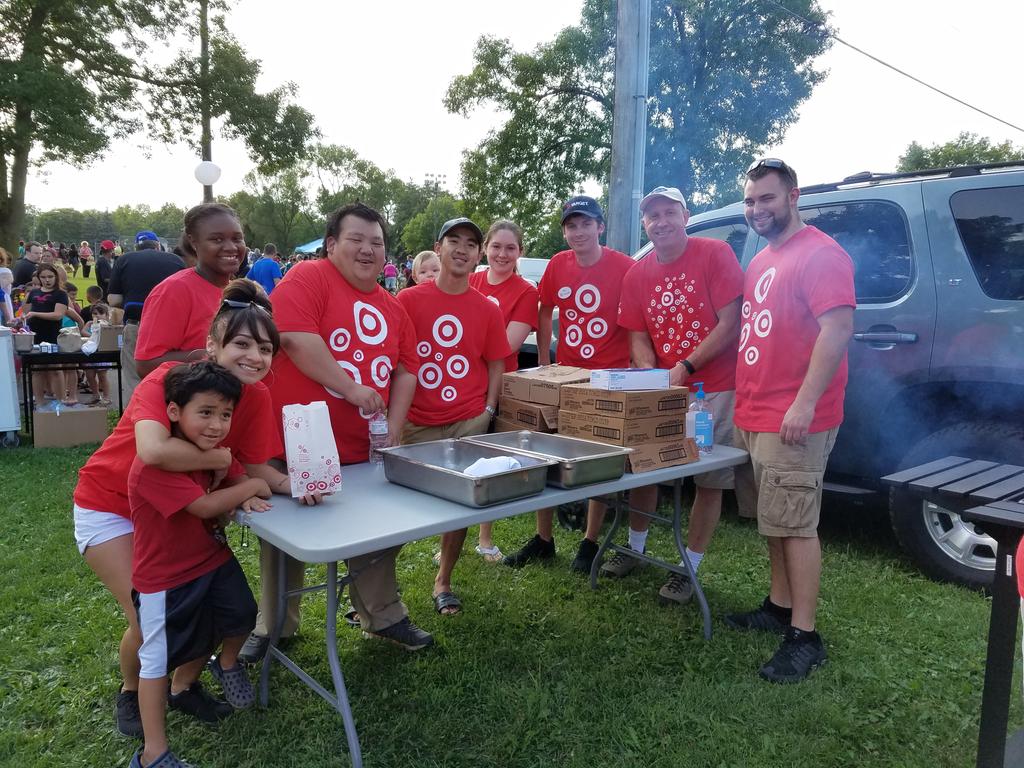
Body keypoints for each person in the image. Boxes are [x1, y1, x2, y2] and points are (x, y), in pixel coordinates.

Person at [73, 280, 297, 738]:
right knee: (149, 616)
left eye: (265, 348)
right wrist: (220, 461)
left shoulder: (256, 397)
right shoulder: (168, 379)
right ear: (212, 344)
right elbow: (154, 451)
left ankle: (183, 685)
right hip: (111, 507)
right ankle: (132, 691)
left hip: (185, 511)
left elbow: (257, 467)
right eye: (241, 344)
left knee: (207, 607)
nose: (255, 357)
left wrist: (300, 485)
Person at [257, 202, 432, 658]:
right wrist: (351, 388)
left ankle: (383, 615)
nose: (367, 249)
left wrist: (395, 426)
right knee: (282, 539)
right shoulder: (309, 277)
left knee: (377, 532)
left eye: (377, 242)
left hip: (360, 448)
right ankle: (274, 627)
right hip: (295, 442)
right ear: (331, 245)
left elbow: (407, 370)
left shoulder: (393, 307)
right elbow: (295, 338)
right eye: (356, 239)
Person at [724, 158, 855, 683]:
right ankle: (779, 607)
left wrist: (804, 403)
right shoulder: (762, 260)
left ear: (793, 196)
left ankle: (805, 636)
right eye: (750, 200)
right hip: (757, 412)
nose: (757, 209)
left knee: (797, 524)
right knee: (775, 519)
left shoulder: (822, 254)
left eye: (767, 198)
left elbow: (837, 329)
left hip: (793, 417)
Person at [127, 362, 269, 768]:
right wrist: (253, 486)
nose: (217, 425)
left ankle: (227, 664)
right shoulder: (154, 466)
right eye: (205, 412)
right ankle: (153, 754)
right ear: (174, 411)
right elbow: (204, 506)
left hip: (212, 558)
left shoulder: (211, 453)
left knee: (241, 615)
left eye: (225, 414)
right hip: (166, 580)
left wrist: (243, 490)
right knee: (156, 662)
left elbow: (232, 480)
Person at [612, 186, 744, 600]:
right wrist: (651, 376)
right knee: (645, 467)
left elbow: (731, 322)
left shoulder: (715, 254)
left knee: (709, 479)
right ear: (645, 223)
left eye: (670, 212)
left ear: (686, 216)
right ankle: (634, 549)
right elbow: (637, 335)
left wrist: (685, 367)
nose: (662, 221)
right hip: (665, 391)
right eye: (653, 215)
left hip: (714, 388)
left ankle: (690, 568)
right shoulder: (637, 274)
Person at [503, 196, 634, 574]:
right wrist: (545, 360)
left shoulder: (624, 266)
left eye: (586, 224)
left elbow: (635, 319)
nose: (578, 232)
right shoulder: (558, 264)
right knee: (546, 451)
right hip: (566, 373)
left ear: (600, 227)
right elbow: (545, 312)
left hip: (607, 376)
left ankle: (590, 541)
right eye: (571, 225)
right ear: (564, 231)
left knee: (597, 458)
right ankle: (544, 538)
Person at [398, 217, 510, 616]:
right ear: (438, 248)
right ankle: (378, 594)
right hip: (416, 422)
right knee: (397, 507)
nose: (462, 249)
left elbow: (496, 362)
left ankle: (443, 581)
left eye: (471, 244)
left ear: (478, 255)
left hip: (468, 420)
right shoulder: (407, 301)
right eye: (454, 241)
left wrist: (488, 410)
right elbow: (395, 359)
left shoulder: (486, 308)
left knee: (460, 506)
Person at [468, 220, 539, 561]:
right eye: (496, 246)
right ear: (485, 248)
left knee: (490, 461)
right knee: (460, 457)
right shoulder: (471, 280)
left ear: (520, 252)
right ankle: (448, 539)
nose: (502, 254)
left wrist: (465, 343)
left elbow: (507, 345)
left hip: (497, 387)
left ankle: (485, 538)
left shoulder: (526, 292)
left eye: (511, 248)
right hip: (462, 383)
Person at [134, 204, 246, 380]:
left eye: (237, 239)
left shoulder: (239, 291)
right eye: (217, 239)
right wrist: (213, 354)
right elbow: (146, 365)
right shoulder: (174, 290)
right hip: (192, 395)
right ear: (194, 242)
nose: (231, 247)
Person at [108, 230, 186, 402]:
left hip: (138, 325)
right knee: (172, 379)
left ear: (136, 247)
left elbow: (114, 299)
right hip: (172, 328)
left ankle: (140, 415)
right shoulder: (176, 260)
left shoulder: (124, 259)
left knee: (135, 381)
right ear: (158, 245)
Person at [24, 264, 73, 406]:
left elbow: (58, 315)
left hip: (52, 334)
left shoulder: (60, 294)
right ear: (39, 278)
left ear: (56, 277)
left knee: (55, 368)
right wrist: (18, 321)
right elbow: (25, 313)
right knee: (37, 370)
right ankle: (40, 403)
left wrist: (35, 313)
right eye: (43, 277)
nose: (47, 280)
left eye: (50, 276)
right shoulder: (33, 293)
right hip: (35, 335)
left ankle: (61, 401)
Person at [83, 302, 113, 406]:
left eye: (101, 313)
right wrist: (92, 335)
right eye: (95, 313)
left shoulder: (106, 325)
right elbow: (84, 332)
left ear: (106, 315)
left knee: (102, 376)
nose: (97, 316)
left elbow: (107, 335)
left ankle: (106, 397)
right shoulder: (91, 324)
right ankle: (95, 395)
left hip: (102, 353)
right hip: (91, 352)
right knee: (89, 375)